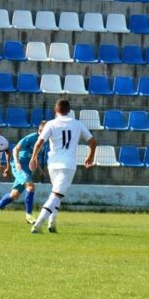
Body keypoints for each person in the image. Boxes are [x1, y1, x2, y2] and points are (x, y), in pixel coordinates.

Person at [29, 99, 97, 234]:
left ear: (55, 110)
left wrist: (34, 157)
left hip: (52, 165)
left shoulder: (50, 124)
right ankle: (38, 224)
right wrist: (90, 157)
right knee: (56, 195)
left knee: (57, 194)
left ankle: (52, 223)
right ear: (69, 111)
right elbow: (93, 142)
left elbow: (39, 142)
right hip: (68, 165)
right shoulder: (77, 124)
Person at [0, 120, 46, 224]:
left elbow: (35, 155)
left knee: (14, 195)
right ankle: (29, 216)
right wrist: (17, 163)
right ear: (40, 130)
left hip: (27, 169)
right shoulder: (32, 137)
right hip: (19, 166)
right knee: (30, 187)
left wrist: (39, 168)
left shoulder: (43, 142)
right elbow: (15, 149)